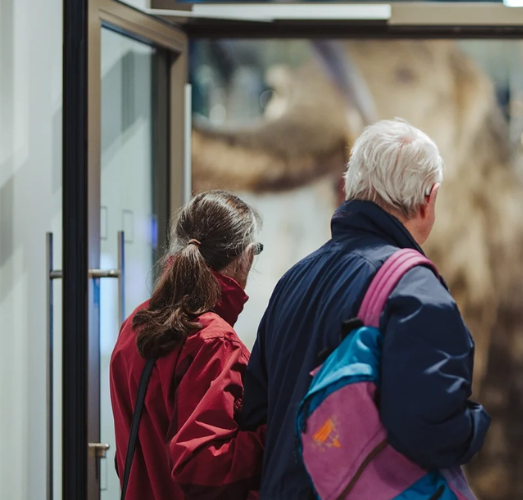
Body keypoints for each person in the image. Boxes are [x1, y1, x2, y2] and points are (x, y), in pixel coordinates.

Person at [241, 118, 491, 499]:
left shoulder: (293, 281)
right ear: (429, 198)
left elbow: (255, 410)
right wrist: (477, 422)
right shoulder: (415, 290)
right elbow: (429, 429)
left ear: (350, 188)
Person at [109, 190, 266, 499]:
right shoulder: (214, 342)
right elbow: (203, 465)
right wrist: (277, 435)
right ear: (245, 256)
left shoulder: (135, 323)